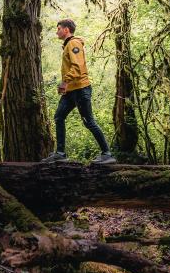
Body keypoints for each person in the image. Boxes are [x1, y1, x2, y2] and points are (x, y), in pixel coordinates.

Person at [41, 19, 116, 164]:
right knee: (59, 117)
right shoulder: (68, 45)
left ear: (66, 30)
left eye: (58, 29)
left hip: (80, 89)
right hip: (71, 91)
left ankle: (107, 154)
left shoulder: (74, 43)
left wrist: (65, 81)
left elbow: (77, 67)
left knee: (89, 122)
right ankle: (61, 153)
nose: (57, 31)